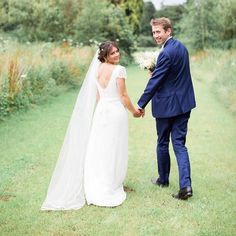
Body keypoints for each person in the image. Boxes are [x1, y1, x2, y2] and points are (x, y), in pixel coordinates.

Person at [41, 41, 142, 210]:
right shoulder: (119, 70)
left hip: (101, 111)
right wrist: (134, 111)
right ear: (104, 56)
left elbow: (97, 96)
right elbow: (123, 96)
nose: (117, 55)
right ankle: (110, 184)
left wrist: (104, 107)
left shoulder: (96, 69)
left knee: (100, 147)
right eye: (112, 53)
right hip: (116, 111)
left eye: (117, 51)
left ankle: (98, 182)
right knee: (114, 147)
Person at [137, 18, 196, 200]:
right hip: (184, 104)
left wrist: (140, 104)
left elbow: (156, 82)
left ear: (168, 31)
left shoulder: (165, 53)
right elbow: (175, 74)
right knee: (179, 144)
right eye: (153, 32)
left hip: (166, 105)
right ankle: (185, 186)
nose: (156, 35)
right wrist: (158, 70)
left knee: (163, 141)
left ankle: (163, 179)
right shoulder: (181, 48)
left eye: (159, 32)